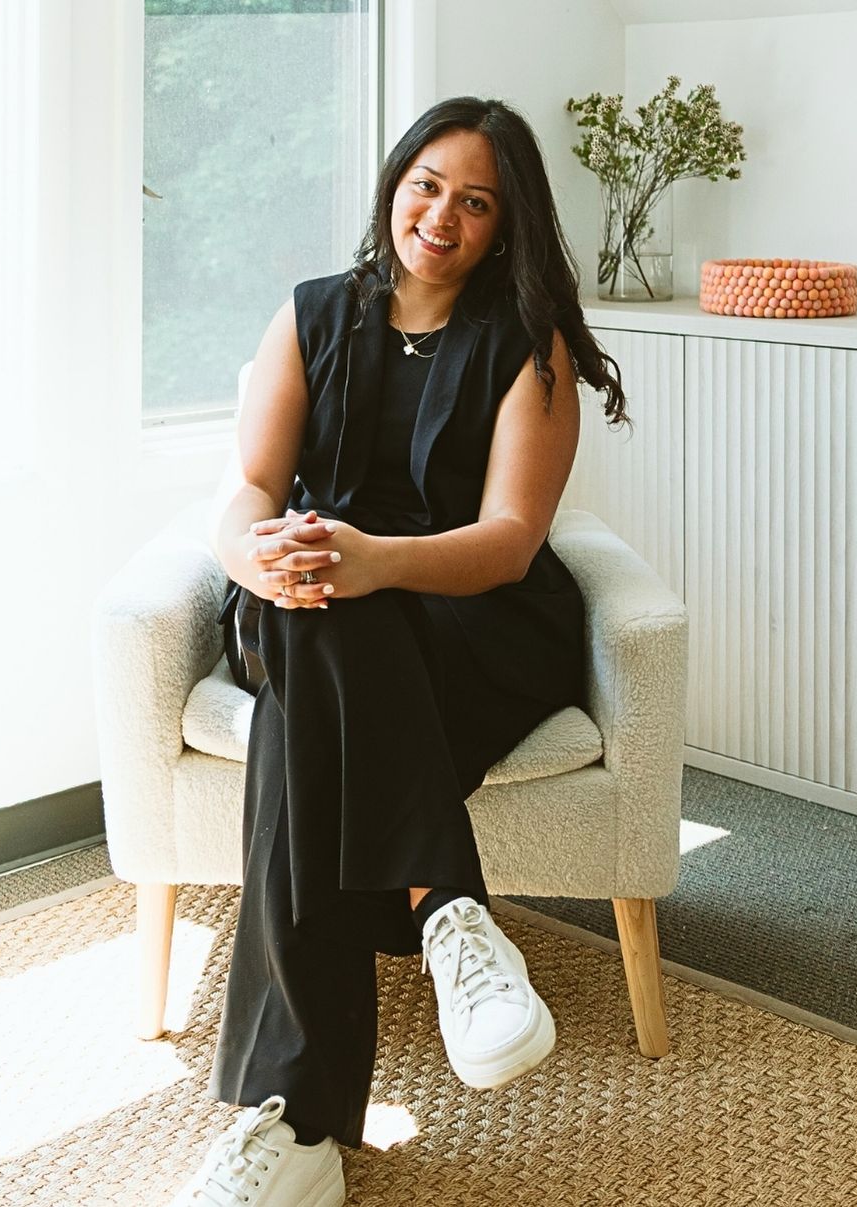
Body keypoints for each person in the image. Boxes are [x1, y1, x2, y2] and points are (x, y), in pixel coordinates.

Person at [170, 96, 631, 1207]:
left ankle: (293, 1124)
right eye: (428, 184)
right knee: (308, 591)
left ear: (506, 224)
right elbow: (250, 491)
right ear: (393, 185)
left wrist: (371, 560)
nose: (443, 215)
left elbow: (513, 540)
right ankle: (450, 914)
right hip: (318, 613)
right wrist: (256, 558)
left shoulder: (532, 347)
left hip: (474, 630)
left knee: (316, 663)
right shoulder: (311, 315)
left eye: (477, 201)